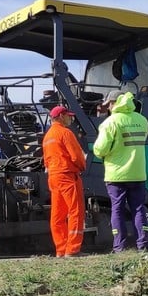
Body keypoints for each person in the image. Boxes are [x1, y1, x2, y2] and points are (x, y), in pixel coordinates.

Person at [92, 92, 148, 252]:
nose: (108, 107)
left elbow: (99, 149)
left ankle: (120, 246)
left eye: (108, 104)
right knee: (138, 208)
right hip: (138, 173)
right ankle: (143, 244)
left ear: (113, 103)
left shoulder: (110, 123)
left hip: (116, 175)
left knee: (117, 209)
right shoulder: (142, 120)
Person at [42, 105, 87, 257]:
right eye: (68, 116)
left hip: (53, 177)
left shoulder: (48, 136)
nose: (71, 118)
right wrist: (82, 166)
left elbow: (46, 160)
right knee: (75, 211)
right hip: (67, 175)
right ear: (61, 116)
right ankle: (73, 249)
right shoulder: (65, 133)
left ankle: (61, 249)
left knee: (58, 214)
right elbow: (76, 156)